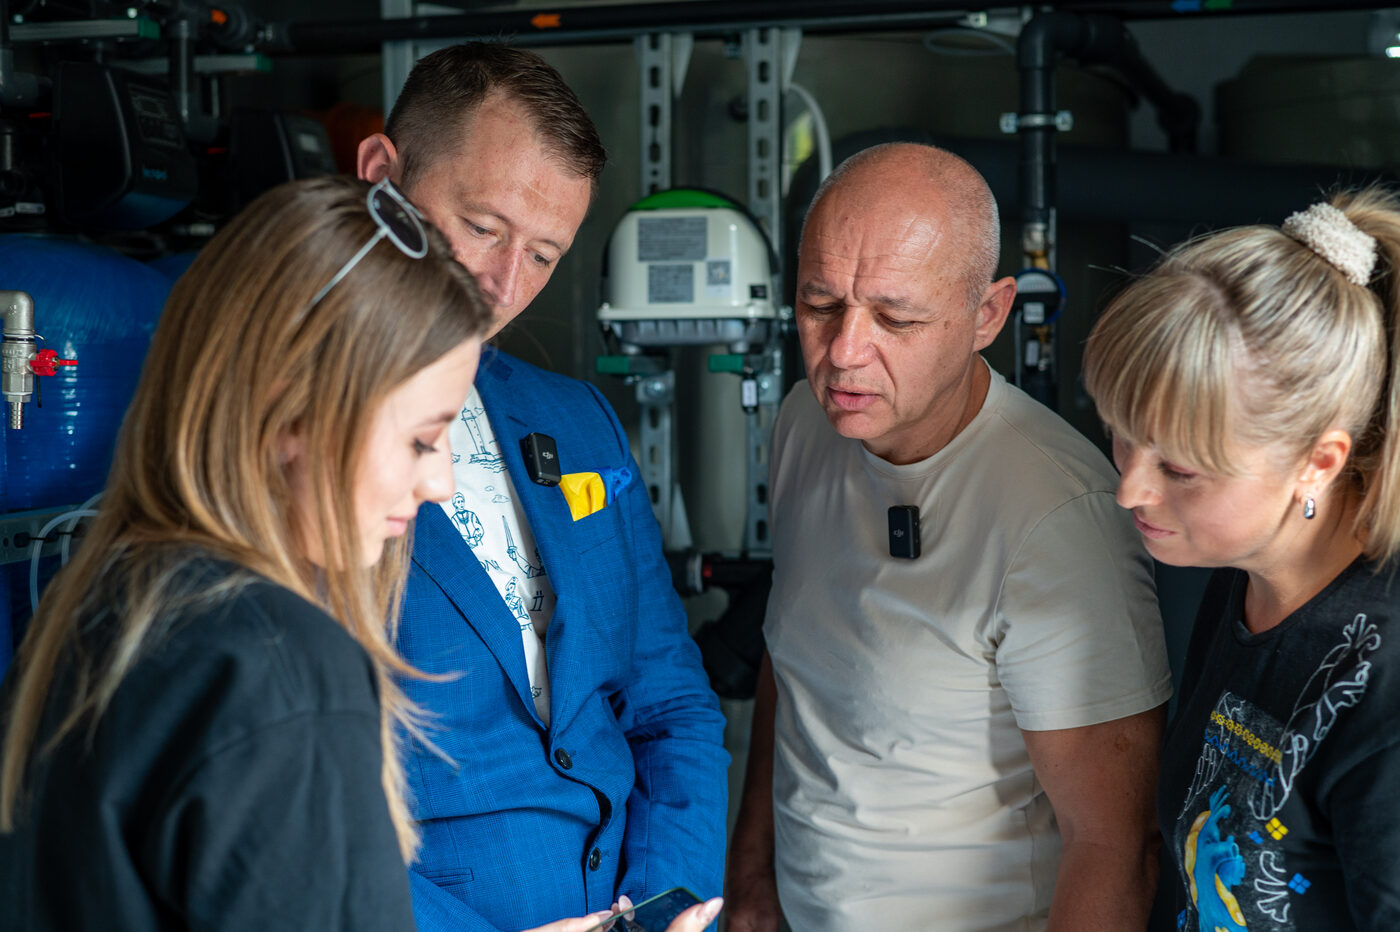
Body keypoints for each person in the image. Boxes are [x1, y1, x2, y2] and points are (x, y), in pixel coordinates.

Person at [0, 175, 488, 929]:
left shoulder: (92, 608)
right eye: (422, 438)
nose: (441, 482)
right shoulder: (286, 670)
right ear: (291, 410)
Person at [725, 143, 1173, 932]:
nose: (843, 354)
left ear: (988, 315)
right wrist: (752, 871)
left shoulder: (1056, 518)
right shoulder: (805, 423)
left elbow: (1113, 848)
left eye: (895, 317)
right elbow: (789, 661)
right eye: (819, 304)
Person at [355, 43, 729, 932]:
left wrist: (664, 908)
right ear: (380, 175)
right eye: (483, 226)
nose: (502, 282)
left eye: (545, 255)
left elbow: (671, 704)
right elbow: (286, 803)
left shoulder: (576, 422)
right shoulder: (291, 435)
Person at [1083, 188, 1400, 929]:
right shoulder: (1247, 573)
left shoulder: (1384, 682)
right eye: (1123, 434)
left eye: (1182, 470)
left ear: (1318, 462)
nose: (1129, 488)